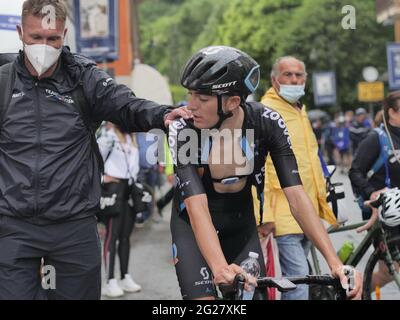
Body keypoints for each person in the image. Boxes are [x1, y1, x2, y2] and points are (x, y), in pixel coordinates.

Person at [0, 0, 187, 300]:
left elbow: (125, 105)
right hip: (14, 226)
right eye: (36, 38)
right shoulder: (3, 81)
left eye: (52, 39)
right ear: (21, 33)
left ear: (64, 36)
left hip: (74, 227)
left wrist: (163, 115)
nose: (44, 47)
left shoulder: (83, 78)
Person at [169, 46, 362, 300]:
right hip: (193, 228)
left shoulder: (266, 122)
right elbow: (197, 207)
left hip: (241, 224)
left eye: (202, 99)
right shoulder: (184, 130)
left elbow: (296, 196)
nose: (190, 105)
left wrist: (335, 263)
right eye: (190, 94)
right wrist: (219, 268)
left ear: (233, 102)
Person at [257, 56, 338, 300]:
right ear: (274, 79)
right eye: (288, 75)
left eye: (299, 75)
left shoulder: (298, 108)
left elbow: (310, 160)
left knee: (303, 277)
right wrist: (266, 216)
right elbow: (264, 166)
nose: (294, 79)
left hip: (308, 210)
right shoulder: (267, 110)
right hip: (284, 213)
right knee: (299, 280)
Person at [349, 91, 400, 290]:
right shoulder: (376, 138)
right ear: (392, 113)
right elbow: (355, 171)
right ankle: (353, 291)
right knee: (388, 271)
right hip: (383, 213)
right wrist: (371, 192)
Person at [97, 123, 142, 298]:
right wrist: (103, 177)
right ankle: (109, 281)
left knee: (125, 236)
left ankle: (124, 276)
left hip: (129, 189)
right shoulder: (108, 136)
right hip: (113, 190)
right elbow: (91, 161)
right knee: (111, 235)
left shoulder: (132, 137)